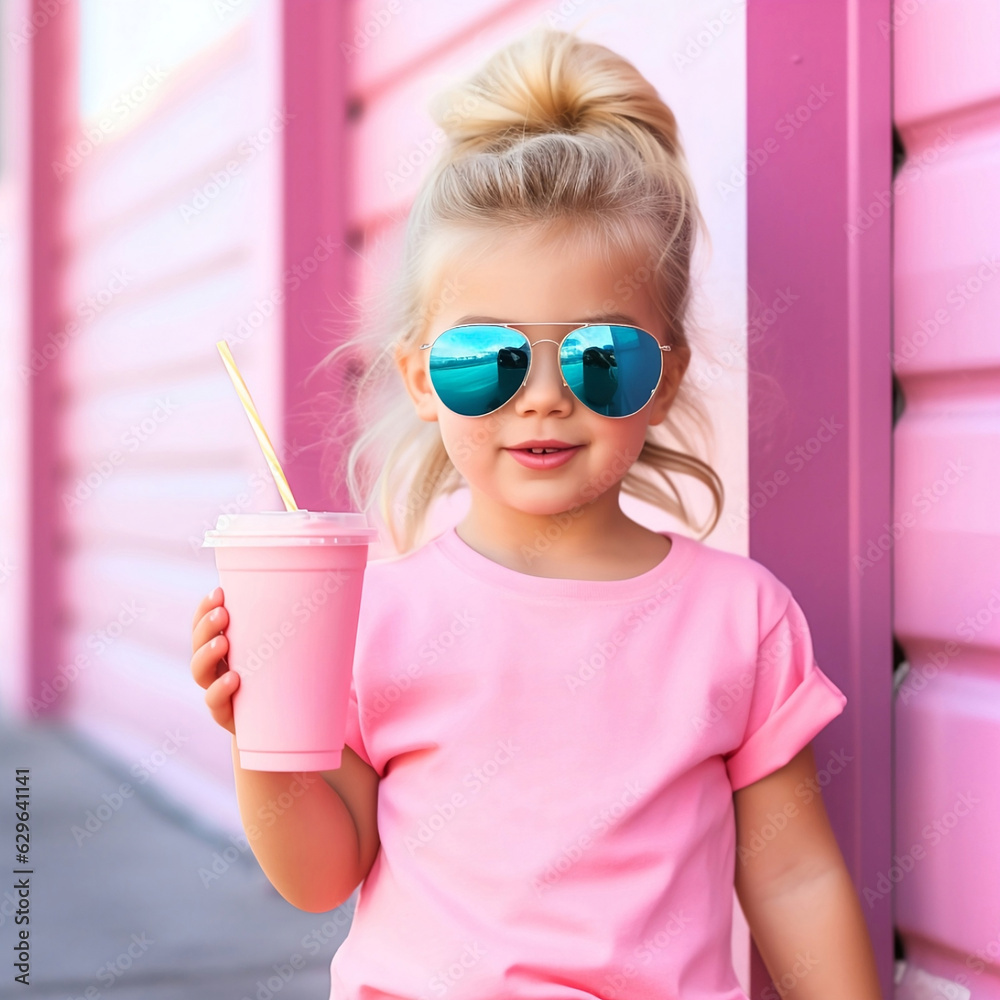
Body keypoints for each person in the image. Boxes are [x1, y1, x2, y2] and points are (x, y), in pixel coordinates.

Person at [191, 25, 883, 1000]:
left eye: (602, 358)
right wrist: (260, 741)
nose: (545, 398)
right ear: (419, 379)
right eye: (488, 360)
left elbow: (793, 877)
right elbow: (319, 876)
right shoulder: (374, 619)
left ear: (664, 377)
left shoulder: (741, 620)